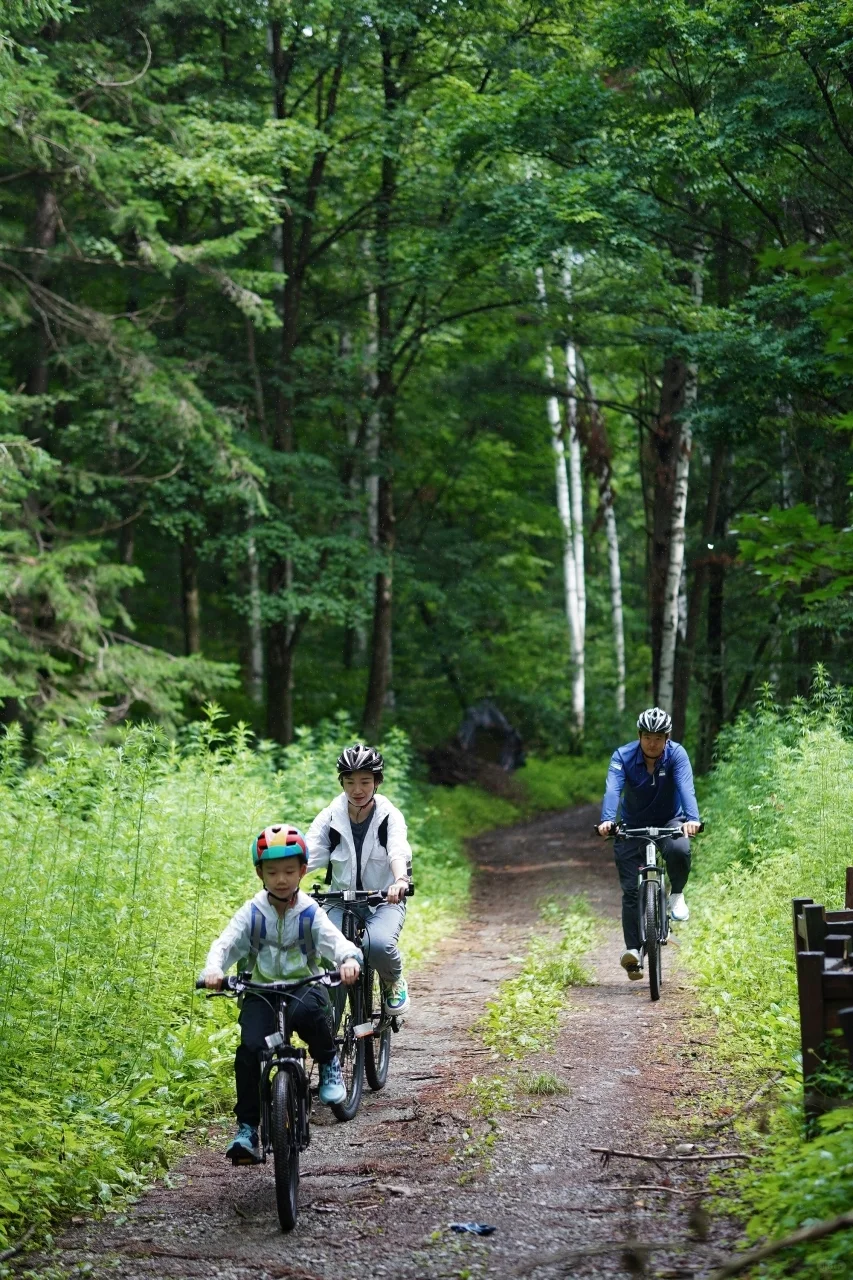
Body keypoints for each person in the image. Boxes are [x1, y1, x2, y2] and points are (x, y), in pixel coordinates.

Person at [200, 823, 362, 1164]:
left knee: (314, 1015)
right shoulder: (252, 912)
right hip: (261, 992)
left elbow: (336, 942)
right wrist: (215, 970)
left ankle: (329, 1061)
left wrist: (348, 960)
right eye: (272, 872)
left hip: (303, 986)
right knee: (250, 1050)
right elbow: (225, 943)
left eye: (289, 871)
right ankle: (247, 1128)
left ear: (303, 870)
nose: (281, 879)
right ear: (260, 873)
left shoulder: (309, 911)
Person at [306, 743, 412, 1016]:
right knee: (332, 953)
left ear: (377, 782)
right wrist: (283, 883)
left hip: (384, 899)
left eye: (365, 781)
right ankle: (330, 1021)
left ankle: (392, 981)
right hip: (340, 900)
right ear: (341, 782)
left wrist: (400, 880)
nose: (357, 789)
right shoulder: (330, 816)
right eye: (350, 782)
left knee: (375, 944)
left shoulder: (389, 816)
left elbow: (397, 851)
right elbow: (309, 855)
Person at [596, 707, 702, 980]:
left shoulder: (676, 755)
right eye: (647, 737)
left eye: (658, 737)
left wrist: (692, 819)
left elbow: (685, 787)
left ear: (666, 738)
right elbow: (612, 789)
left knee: (680, 849)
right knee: (631, 890)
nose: (652, 743)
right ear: (639, 736)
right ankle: (632, 950)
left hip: (670, 820)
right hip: (632, 824)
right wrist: (608, 821)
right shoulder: (622, 756)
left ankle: (676, 894)